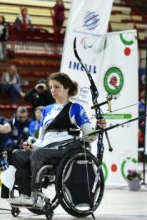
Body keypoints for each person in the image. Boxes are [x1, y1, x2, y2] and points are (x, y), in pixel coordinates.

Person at [10, 72, 106, 206]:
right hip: (46, 148)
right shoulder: (47, 109)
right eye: (51, 87)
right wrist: (32, 145)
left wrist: (98, 127)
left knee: (38, 153)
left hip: (65, 148)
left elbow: (89, 136)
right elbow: (41, 139)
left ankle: (35, 197)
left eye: (57, 87)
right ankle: (24, 195)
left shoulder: (76, 108)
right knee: (17, 154)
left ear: (67, 88)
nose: (53, 90)